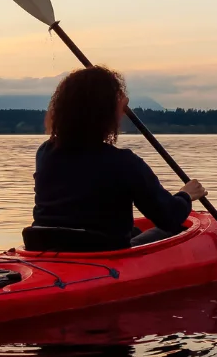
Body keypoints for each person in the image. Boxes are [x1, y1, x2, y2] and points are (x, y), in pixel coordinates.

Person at [27, 66, 202, 252]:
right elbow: (169, 217)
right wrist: (186, 195)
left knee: (133, 230)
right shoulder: (123, 163)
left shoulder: (45, 152)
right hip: (101, 252)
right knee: (175, 229)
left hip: (43, 246)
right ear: (106, 113)